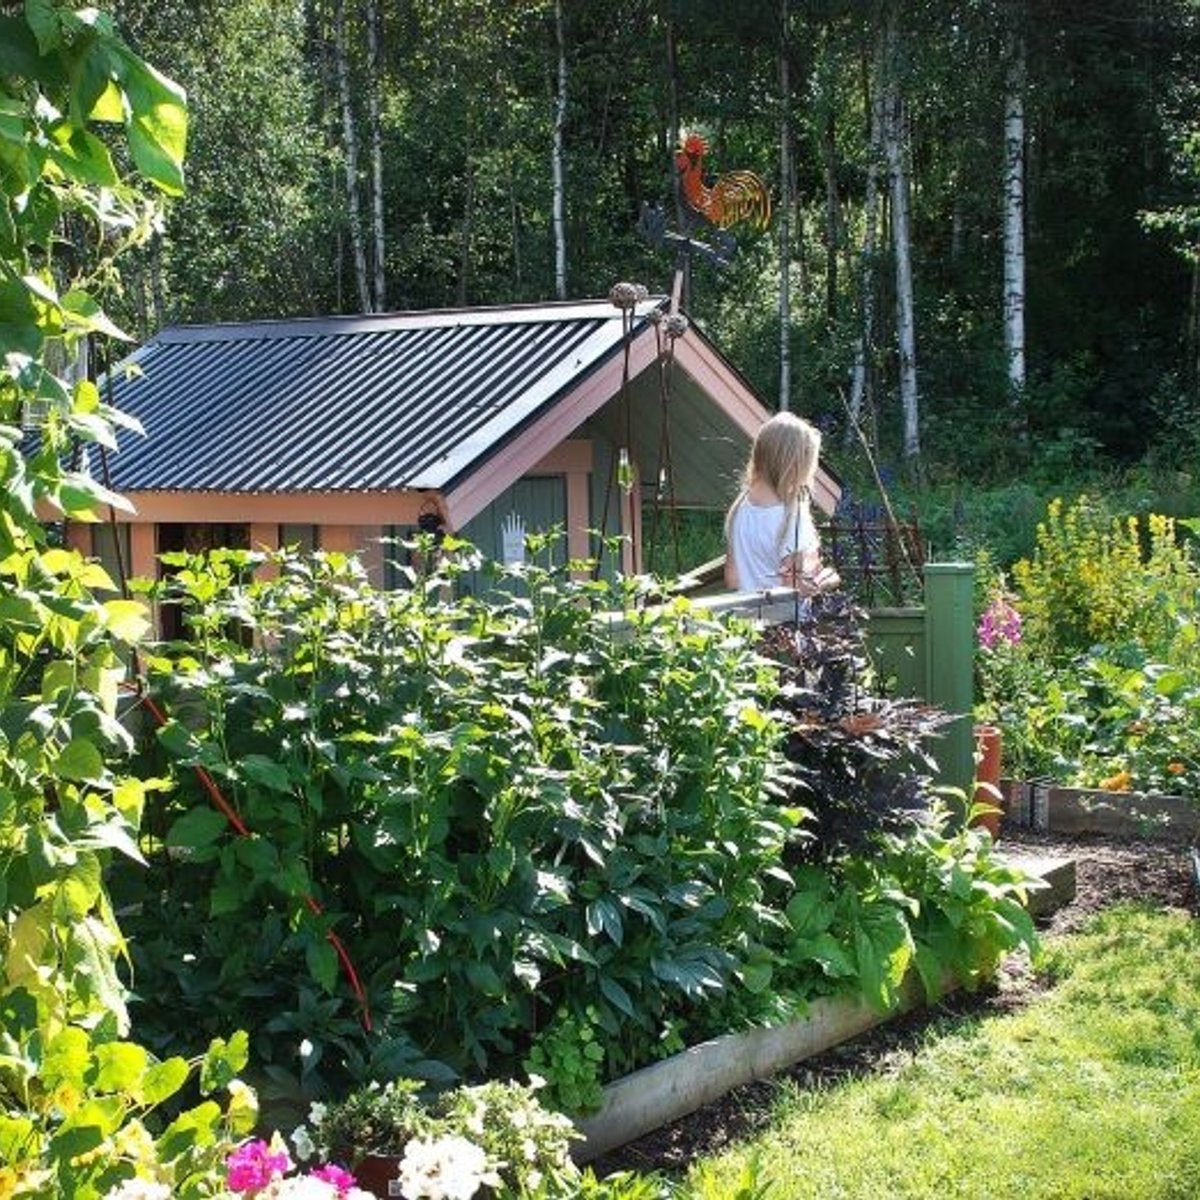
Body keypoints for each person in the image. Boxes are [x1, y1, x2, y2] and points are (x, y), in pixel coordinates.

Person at [724, 412, 840, 594]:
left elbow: (732, 579)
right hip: (784, 621)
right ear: (795, 464)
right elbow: (794, 588)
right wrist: (826, 578)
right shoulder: (792, 514)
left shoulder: (739, 508)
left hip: (743, 620)